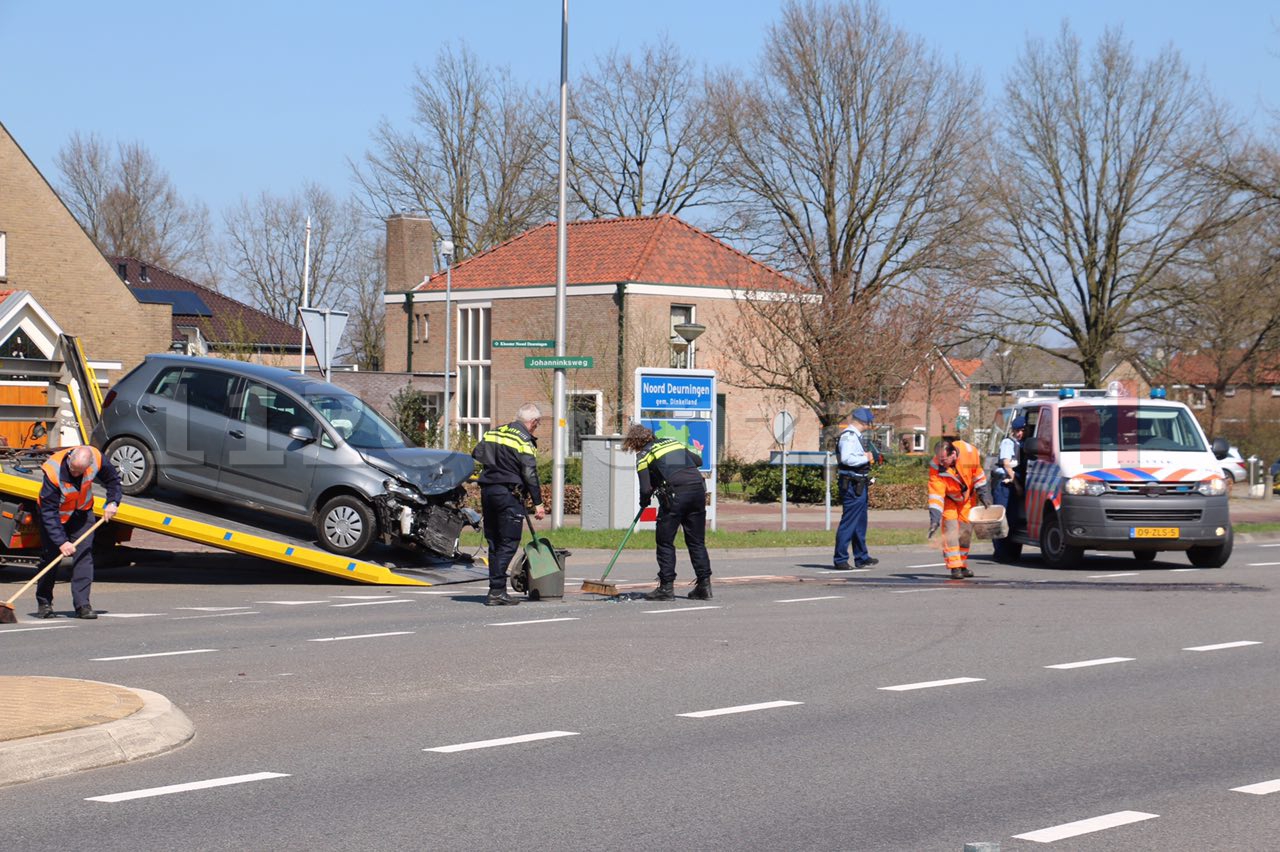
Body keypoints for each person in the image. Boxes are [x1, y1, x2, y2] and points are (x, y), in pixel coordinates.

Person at [621, 424, 711, 601]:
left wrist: (644, 501)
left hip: (676, 496)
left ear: (633, 443)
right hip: (698, 491)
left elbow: (646, 489)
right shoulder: (672, 442)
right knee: (696, 542)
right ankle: (704, 587)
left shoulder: (643, 455)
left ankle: (666, 588)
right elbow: (698, 461)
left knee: (665, 541)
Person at [36, 446, 122, 619]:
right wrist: (62, 542)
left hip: (82, 513)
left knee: (84, 555)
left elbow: (113, 480)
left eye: (80, 471)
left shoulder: (96, 458)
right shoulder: (53, 472)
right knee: (51, 558)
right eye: (73, 470)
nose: (75, 474)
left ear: (89, 465)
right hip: (55, 516)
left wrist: (113, 502)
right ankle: (44, 602)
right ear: (69, 460)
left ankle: (82, 604)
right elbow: (48, 512)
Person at [472, 403, 545, 606]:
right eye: (537, 425)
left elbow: (476, 453)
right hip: (508, 495)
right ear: (532, 422)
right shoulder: (525, 441)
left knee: (494, 542)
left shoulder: (493, 433)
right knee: (509, 542)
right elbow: (530, 474)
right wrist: (538, 503)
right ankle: (496, 589)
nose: (536, 428)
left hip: (487, 492)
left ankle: (497, 590)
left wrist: (495, 465)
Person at [927, 437, 991, 579]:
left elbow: (978, 475)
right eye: (940, 460)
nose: (941, 463)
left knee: (965, 531)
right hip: (950, 499)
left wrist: (984, 495)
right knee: (950, 529)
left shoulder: (970, 453)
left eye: (944, 460)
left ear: (953, 454)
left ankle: (962, 565)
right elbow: (935, 495)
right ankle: (954, 567)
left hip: (966, 499)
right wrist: (934, 520)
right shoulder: (936, 465)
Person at [832, 407, 879, 570]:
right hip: (852, 485)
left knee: (860, 522)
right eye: (869, 422)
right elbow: (846, 458)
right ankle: (840, 559)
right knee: (849, 522)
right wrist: (865, 457)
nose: (870, 425)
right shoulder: (849, 437)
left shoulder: (855, 436)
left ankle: (861, 557)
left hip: (859, 484)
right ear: (863, 422)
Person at [991, 416, 1026, 560]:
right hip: (1004, 485)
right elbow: (1006, 464)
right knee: (1001, 518)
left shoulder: (1021, 444)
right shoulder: (1008, 443)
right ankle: (1000, 552)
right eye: (1017, 430)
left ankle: (1010, 551)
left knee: (1012, 519)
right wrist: (1017, 485)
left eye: (1022, 430)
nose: (1019, 433)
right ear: (1012, 430)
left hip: (1012, 484)